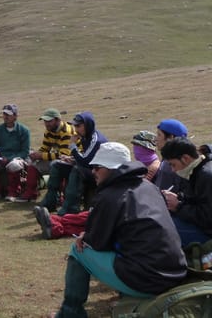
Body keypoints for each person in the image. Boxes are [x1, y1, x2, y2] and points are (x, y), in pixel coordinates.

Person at [50, 142, 187, 318]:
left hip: (149, 281)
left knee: (78, 251)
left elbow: (96, 243)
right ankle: (127, 296)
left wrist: (86, 237)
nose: (93, 171)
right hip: (176, 274)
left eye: (97, 167)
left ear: (112, 169)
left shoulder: (110, 196)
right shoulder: (149, 187)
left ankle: (70, 313)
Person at [34, 130, 162, 240]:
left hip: (132, 216)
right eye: (135, 146)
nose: (136, 149)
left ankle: (55, 223)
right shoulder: (139, 165)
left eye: (139, 147)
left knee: (94, 219)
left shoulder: (152, 167)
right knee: (92, 217)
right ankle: (55, 224)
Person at [42, 112, 107, 215]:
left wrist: (72, 145)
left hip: (99, 174)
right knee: (57, 165)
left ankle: (70, 208)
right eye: (74, 126)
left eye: (78, 126)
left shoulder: (96, 140)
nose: (75, 129)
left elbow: (85, 161)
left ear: (87, 125)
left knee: (77, 170)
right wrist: (71, 159)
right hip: (90, 168)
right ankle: (50, 202)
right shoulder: (85, 137)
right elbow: (85, 157)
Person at [160, 137, 212, 246]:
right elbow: (197, 199)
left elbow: (208, 219)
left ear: (185, 158)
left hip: (208, 233)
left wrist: (178, 206)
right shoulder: (197, 169)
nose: (173, 170)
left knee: (163, 228)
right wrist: (179, 198)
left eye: (173, 164)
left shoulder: (206, 176)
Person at [20, 108, 74, 202]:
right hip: (59, 158)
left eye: (49, 121)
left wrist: (41, 156)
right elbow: (45, 148)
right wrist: (35, 155)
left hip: (72, 160)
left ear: (57, 120)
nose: (46, 123)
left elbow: (64, 154)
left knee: (56, 166)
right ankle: (31, 193)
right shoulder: (49, 131)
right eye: (45, 121)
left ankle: (60, 196)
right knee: (33, 166)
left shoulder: (67, 132)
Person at [0, 104, 30, 201]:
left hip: (16, 159)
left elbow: (25, 152)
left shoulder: (24, 131)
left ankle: (13, 192)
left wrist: (9, 158)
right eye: (4, 114)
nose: (5, 116)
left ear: (15, 116)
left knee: (14, 165)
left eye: (8, 114)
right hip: (1, 159)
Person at [154, 119, 189, 194]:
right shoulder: (188, 157)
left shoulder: (169, 164)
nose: (155, 139)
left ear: (171, 138)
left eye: (159, 135)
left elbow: (160, 195)